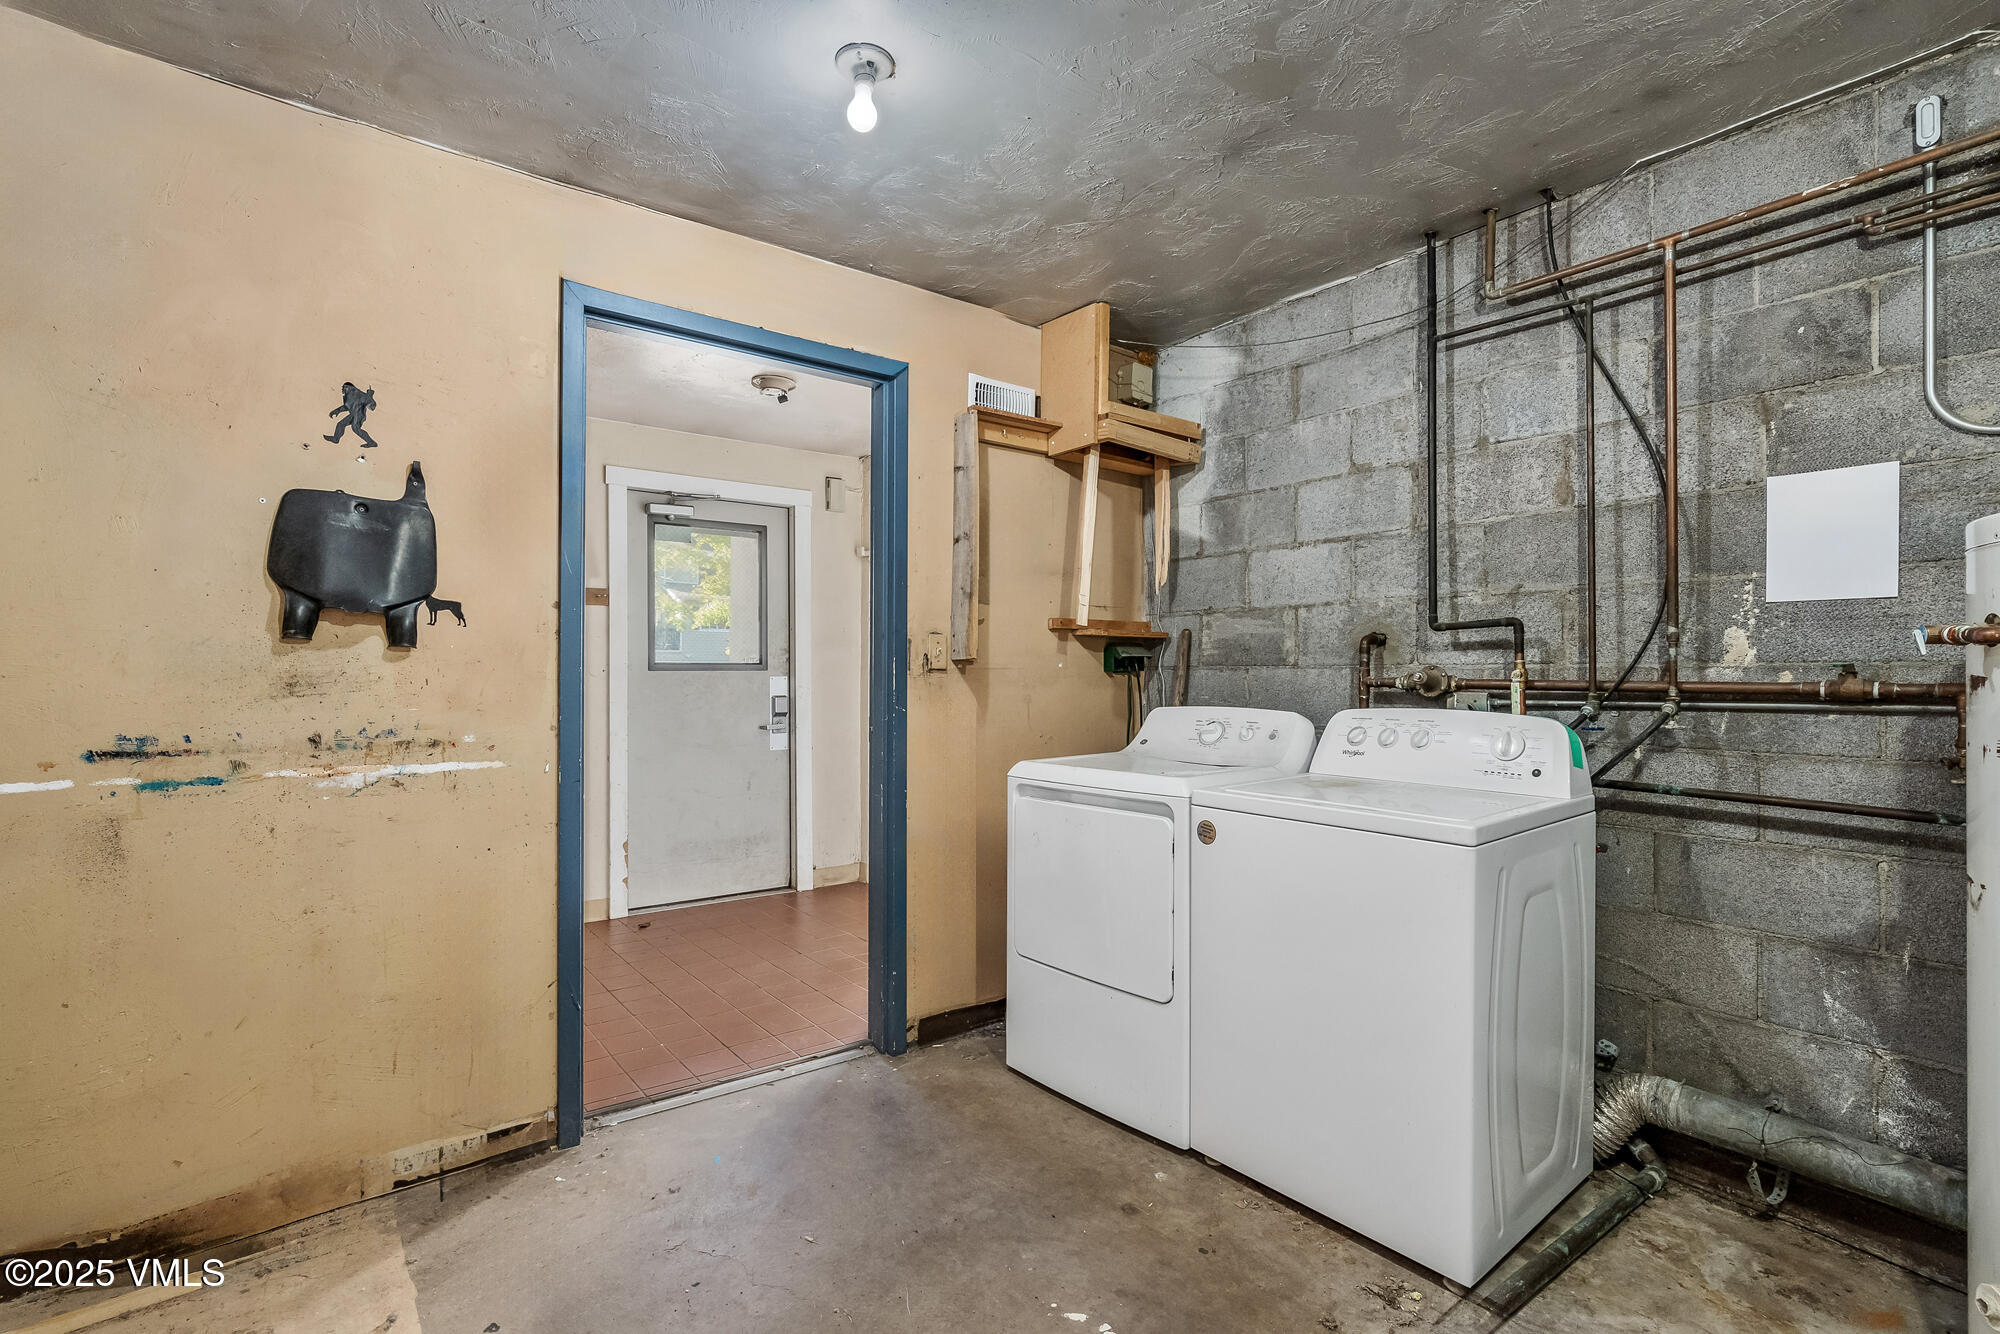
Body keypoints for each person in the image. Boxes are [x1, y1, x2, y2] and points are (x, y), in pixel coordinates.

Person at [325, 382, 379, 447]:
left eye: (344, 387)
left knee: (355, 428)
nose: (342, 389)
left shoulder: (359, 394)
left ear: (348, 388)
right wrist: (337, 411)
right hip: (353, 414)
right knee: (340, 424)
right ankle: (336, 439)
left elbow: (372, 406)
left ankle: (371, 443)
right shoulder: (348, 396)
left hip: (359, 414)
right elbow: (347, 407)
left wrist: (369, 396)